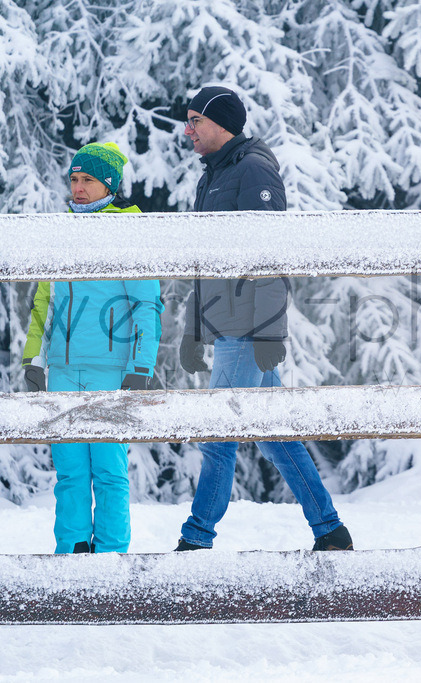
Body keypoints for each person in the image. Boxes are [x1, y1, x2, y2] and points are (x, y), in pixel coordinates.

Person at [175, 86, 353, 552]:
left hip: (246, 329)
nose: (187, 129)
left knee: (219, 435)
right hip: (229, 325)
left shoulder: (252, 169)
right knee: (275, 436)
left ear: (222, 123)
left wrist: (270, 331)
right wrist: (195, 329)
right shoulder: (213, 174)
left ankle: (196, 539)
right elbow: (207, 262)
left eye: (196, 119)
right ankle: (330, 530)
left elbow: (271, 255)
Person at [22, 142, 163, 554]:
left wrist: (141, 364)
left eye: (88, 180)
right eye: (74, 179)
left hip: (111, 369)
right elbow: (43, 304)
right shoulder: (60, 232)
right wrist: (34, 358)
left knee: (108, 471)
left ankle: (112, 555)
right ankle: (72, 551)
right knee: (69, 473)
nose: (78, 188)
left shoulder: (128, 231)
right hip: (64, 370)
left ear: (109, 186)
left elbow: (147, 305)